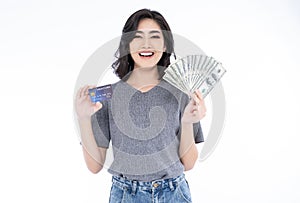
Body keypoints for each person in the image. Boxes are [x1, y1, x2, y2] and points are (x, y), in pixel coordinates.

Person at [75, 8, 206, 203]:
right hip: (126, 195)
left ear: (165, 45)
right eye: (138, 37)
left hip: (174, 193)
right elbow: (94, 166)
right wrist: (84, 118)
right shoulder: (108, 95)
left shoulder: (181, 94)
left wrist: (187, 122)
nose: (146, 45)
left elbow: (188, 164)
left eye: (155, 37)